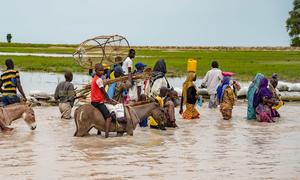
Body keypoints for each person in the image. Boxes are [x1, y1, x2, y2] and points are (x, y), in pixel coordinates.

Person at [91, 63, 115, 138]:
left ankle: (99, 132)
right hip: (98, 102)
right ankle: (107, 135)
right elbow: (103, 91)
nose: (101, 72)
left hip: (93, 101)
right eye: (100, 70)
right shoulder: (99, 80)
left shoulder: (94, 78)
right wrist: (109, 99)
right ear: (96, 71)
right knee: (108, 117)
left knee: (101, 115)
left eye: (102, 70)